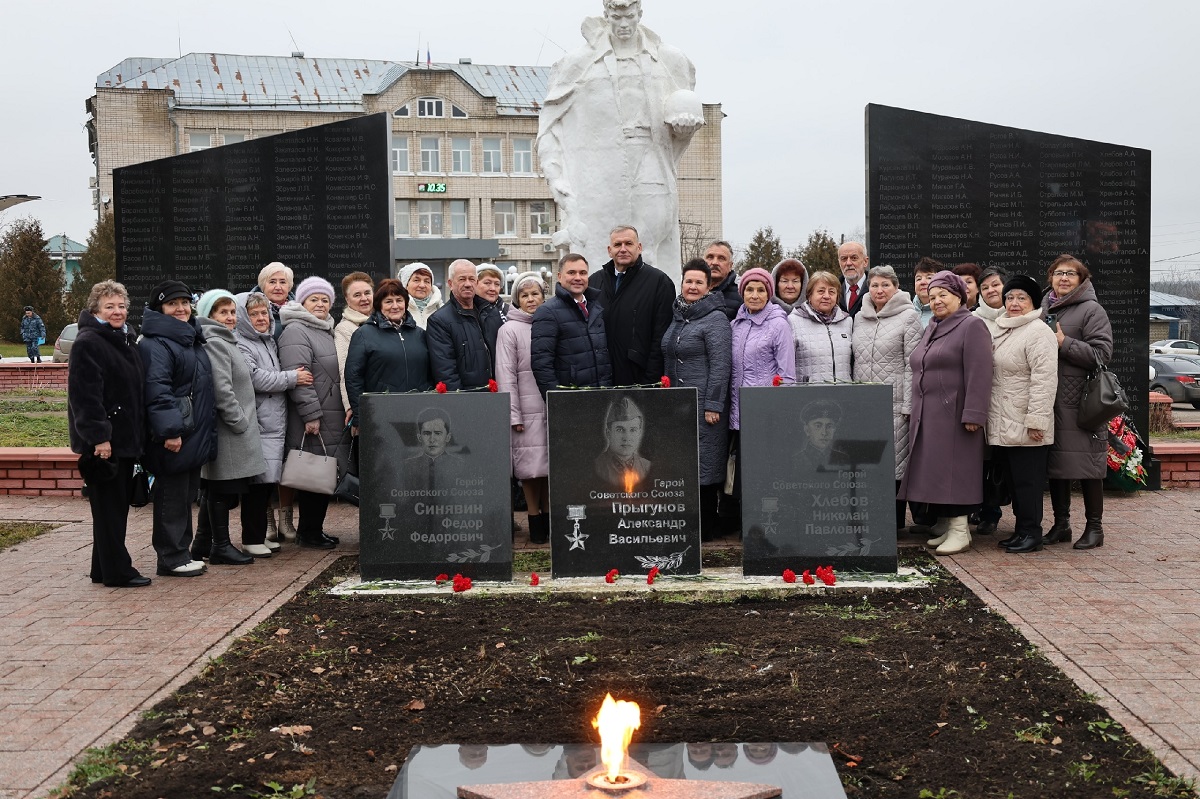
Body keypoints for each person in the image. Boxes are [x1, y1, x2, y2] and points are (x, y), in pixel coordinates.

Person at [536, 0, 703, 281]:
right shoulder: (579, 62)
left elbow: (680, 117)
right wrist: (561, 186)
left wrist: (684, 127)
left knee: (652, 248)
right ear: (607, 15)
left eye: (629, 16)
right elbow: (550, 126)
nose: (623, 24)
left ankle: (655, 313)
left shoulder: (667, 60)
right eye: (616, 16)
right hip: (600, 173)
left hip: (651, 159)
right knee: (599, 251)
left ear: (639, 14)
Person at [898, 271, 992, 555]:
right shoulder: (933, 327)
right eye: (933, 296)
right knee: (938, 471)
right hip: (929, 414)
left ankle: (961, 530)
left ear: (960, 296)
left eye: (944, 295)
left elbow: (981, 372)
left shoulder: (971, 326)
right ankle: (949, 525)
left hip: (956, 414)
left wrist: (974, 413)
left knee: (956, 471)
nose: (937, 301)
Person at [67, 281, 149, 587]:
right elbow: (85, 396)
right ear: (95, 310)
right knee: (109, 510)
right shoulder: (89, 341)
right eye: (110, 306)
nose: (118, 311)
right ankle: (118, 571)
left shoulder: (124, 338)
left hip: (124, 439)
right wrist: (99, 437)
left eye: (121, 306)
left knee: (111, 508)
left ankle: (102, 568)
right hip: (105, 442)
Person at [139, 280, 216, 577]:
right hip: (175, 434)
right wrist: (170, 431)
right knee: (171, 496)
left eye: (185, 302)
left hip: (191, 432)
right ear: (160, 308)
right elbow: (157, 390)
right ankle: (170, 557)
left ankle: (181, 552)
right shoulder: (155, 344)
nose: (181, 308)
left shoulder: (188, 339)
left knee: (185, 495)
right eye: (173, 304)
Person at [1042, 254, 1114, 550]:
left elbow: (1102, 355)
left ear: (1082, 280)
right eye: (1058, 273)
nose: (1063, 278)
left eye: (1071, 274)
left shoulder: (1091, 310)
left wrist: (1064, 343)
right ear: (1051, 278)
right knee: (1056, 464)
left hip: (1081, 403)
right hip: (1050, 399)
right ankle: (1061, 525)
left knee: (1088, 465)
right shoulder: (1043, 309)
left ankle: (1095, 528)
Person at [234, 291, 312, 556]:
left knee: (267, 482)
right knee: (257, 484)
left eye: (264, 313)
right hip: (259, 422)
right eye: (254, 314)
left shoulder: (267, 341)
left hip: (272, 422)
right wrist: (292, 378)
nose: (261, 318)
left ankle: (257, 535)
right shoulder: (242, 342)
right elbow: (255, 378)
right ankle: (251, 538)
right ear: (244, 317)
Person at [191, 290, 263, 566]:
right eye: (223, 312)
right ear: (209, 315)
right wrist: (239, 421)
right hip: (229, 431)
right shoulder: (216, 342)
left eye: (233, 312)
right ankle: (220, 546)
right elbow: (222, 390)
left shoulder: (225, 339)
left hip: (232, 430)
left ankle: (201, 543)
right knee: (222, 489)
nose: (230, 317)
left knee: (215, 489)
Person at [987, 275, 1059, 554]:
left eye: (1021, 298)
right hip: (1003, 419)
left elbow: (1044, 380)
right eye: (1009, 298)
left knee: (1028, 482)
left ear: (1032, 303)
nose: (1014, 304)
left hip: (1027, 421)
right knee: (1014, 480)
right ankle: (1021, 530)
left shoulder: (1038, 332)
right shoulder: (1002, 328)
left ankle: (1032, 533)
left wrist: (1037, 421)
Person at [662, 259, 732, 541]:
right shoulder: (678, 315)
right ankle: (690, 521)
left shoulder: (715, 318)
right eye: (688, 281)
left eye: (698, 282)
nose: (692, 286)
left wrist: (713, 405)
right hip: (678, 405)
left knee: (706, 465)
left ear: (708, 286)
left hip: (705, 405)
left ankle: (708, 526)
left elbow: (721, 365)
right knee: (687, 463)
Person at [278, 277, 348, 549]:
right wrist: (310, 415)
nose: (320, 304)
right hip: (313, 418)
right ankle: (308, 533)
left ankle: (314, 529)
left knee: (322, 475)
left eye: (325, 299)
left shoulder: (324, 329)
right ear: (302, 302)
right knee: (312, 476)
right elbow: (301, 376)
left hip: (329, 414)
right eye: (313, 299)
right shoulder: (297, 330)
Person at [851, 266, 922, 531]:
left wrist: (908, 404)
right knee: (866, 464)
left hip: (894, 404)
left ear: (896, 287)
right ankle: (869, 519)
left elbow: (912, 364)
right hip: (863, 406)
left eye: (885, 285)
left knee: (894, 466)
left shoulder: (909, 317)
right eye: (874, 285)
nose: (879, 291)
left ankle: (893, 524)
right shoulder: (859, 318)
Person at [729, 267, 795, 527]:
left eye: (760, 290)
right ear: (742, 292)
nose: (754, 295)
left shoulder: (778, 324)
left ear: (769, 294)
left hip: (766, 413)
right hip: (739, 412)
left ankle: (769, 523)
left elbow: (787, 374)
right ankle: (748, 524)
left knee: (767, 472)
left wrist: (779, 411)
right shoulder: (736, 324)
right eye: (749, 289)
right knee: (745, 472)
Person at [496, 272, 551, 544]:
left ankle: (550, 517)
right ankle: (534, 519)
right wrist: (513, 414)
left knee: (551, 467)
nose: (531, 299)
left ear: (544, 296)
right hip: (525, 412)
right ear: (517, 300)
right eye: (524, 295)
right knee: (530, 470)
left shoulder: (553, 322)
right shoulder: (509, 330)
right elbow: (506, 375)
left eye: (535, 294)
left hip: (550, 408)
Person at [587, 226, 675, 386]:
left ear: (639, 247)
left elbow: (661, 337)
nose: (623, 249)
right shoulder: (594, 282)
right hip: (600, 379)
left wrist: (650, 381)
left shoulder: (658, 282)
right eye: (617, 244)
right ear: (609, 250)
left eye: (628, 243)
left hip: (639, 379)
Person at [344, 278, 433, 431]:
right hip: (381, 415)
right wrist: (360, 415)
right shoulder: (364, 334)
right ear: (379, 305)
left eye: (399, 300)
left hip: (419, 413)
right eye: (388, 301)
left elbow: (431, 372)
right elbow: (353, 377)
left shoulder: (420, 334)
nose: (395, 306)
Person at [531, 253, 612, 397]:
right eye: (571, 272)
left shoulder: (595, 307)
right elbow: (542, 365)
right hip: (571, 400)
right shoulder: (547, 312)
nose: (578, 278)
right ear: (560, 276)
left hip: (601, 396)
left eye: (583, 273)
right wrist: (558, 402)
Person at [972, 265, 1009, 536]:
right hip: (983, 397)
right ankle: (985, 511)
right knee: (982, 461)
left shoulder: (1020, 315)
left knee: (1004, 462)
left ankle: (1001, 511)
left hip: (1011, 401)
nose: (990, 290)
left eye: (995, 285)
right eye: (985, 287)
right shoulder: (974, 320)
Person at [427, 259, 503, 390]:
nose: (468, 284)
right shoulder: (439, 321)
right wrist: (460, 402)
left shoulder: (491, 313)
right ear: (450, 284)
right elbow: (446, 372)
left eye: (472, 279)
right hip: (465, 399)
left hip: (496, 395)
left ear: (477, 282)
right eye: (462, 279)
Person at [789, 270, 853, 382]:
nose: (827, 296)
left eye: (832, 292)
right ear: (809, 295)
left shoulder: (847, 322)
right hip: (809, 395)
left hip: (844, 394)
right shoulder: (793, 321)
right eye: (821, 291)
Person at [334, 271, 374, 413]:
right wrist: (351, 408)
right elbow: (345, 371)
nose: (364, 298)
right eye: (357, 295)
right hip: (366, 404)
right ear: (347, 299)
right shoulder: (345, 329)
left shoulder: (383, 322)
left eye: (367, 293)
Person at [402, 407, 467, 491]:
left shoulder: (460, 466)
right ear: (419, 437)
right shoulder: (407, 466)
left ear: (448, 437)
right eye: (426, 433)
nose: (432, 439)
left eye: (438, 433)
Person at [594, 396, 650, 491]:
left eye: (633, 430)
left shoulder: (647, 466)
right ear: (608, 433)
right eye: (619, 430)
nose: (626, 437)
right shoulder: (596, 467)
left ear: (639, 433)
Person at [400, 262, 442, 329]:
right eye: (416, 280)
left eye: (427, 281)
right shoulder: (397, 309)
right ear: (406, 284)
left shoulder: (441, 309)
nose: (422, 285)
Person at [704, 241, 740, 320]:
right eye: (710, 257)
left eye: (721, 258)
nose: (714, 262)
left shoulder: (741, 295)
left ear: (730, 266)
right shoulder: (692, 289)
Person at [257, 262, 294, 338]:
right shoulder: (247, 311)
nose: (278, 287)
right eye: (272, 282)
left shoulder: (301, 310)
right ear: (263, 286)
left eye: (282, 282)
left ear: (289, 286)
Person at [837, 242, 869, 317]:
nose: (848, 263)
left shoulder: (877, 290)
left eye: (854, 258)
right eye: (844, 259)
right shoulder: (832, 291)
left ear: (865, 262)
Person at [912, 257, 943, 328]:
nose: (922, 282)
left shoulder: (947, 313)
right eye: (918, 279)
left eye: (929, 278)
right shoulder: (906, 312)